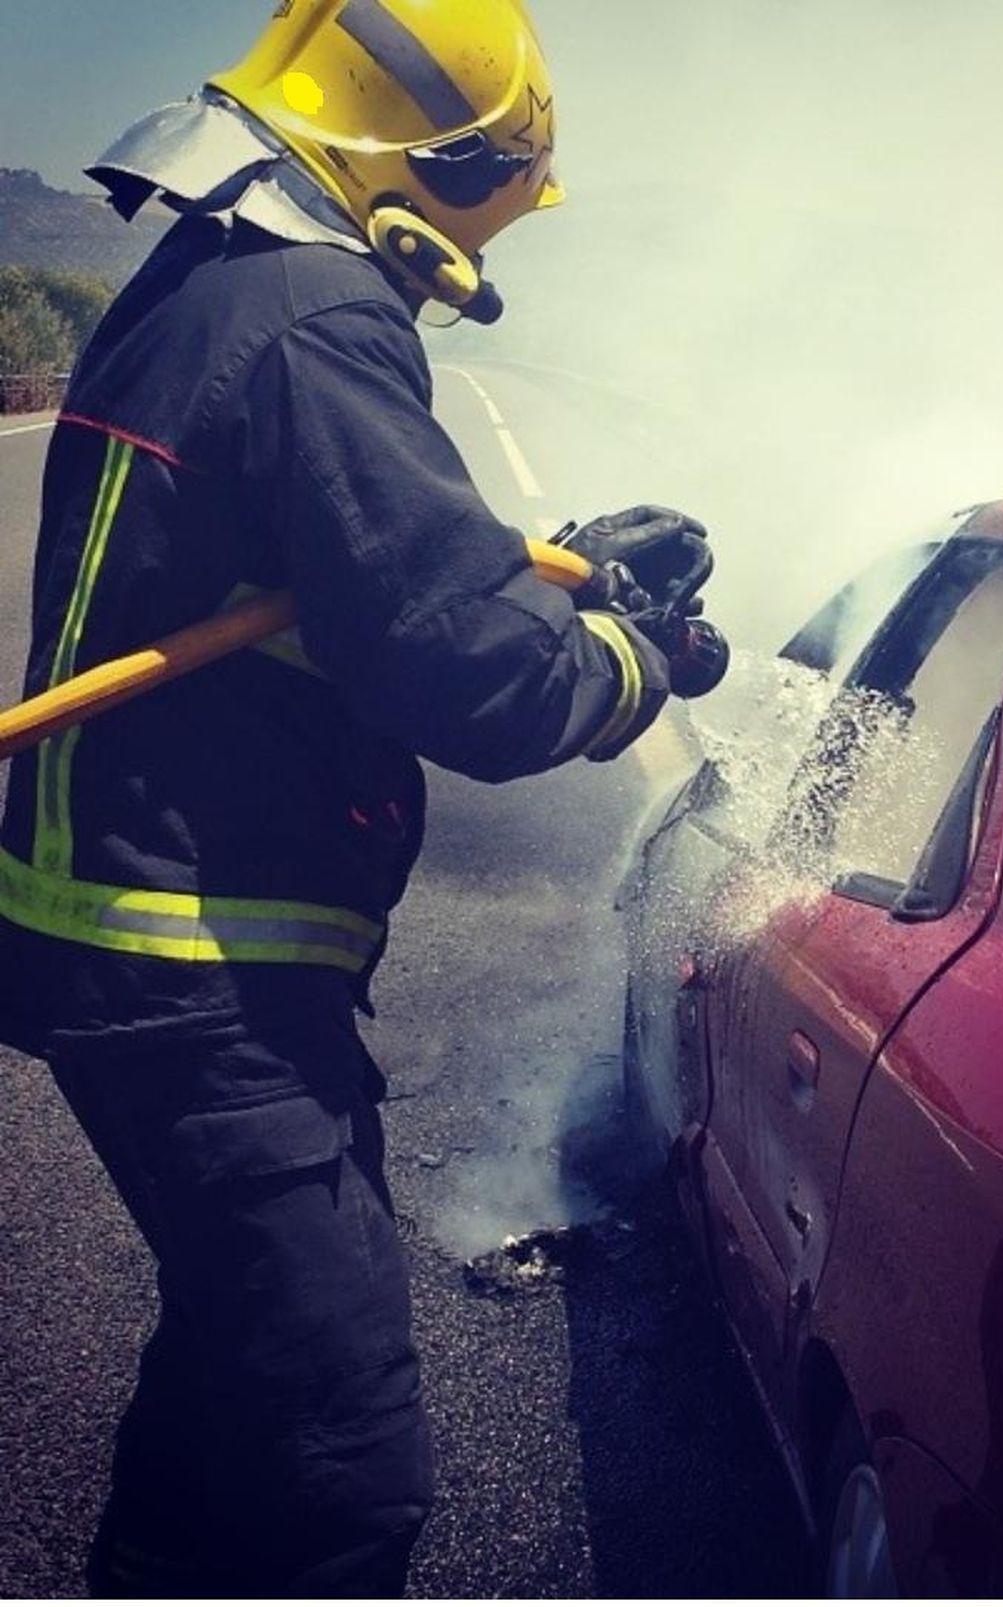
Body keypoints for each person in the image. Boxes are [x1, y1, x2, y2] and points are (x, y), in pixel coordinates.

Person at [0, 0, 713, 1594]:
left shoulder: (206, 278)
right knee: (337, 1467)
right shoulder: (320, 314)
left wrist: (555, 571)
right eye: (490, 196)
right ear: (431, 166)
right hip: (199, 963)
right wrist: (638, 661)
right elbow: (476, 679)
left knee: (230, 1394)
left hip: (127, 931)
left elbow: (351, 570)